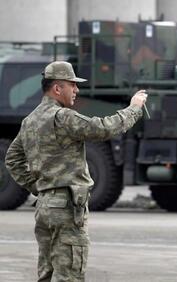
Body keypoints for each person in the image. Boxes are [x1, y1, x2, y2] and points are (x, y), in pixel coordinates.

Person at [5, 61, 147, 281]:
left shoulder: (29, 121)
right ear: (57, 88)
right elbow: (104, 128)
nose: (77, 90)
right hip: (66, 209)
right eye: (72, 85)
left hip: (44, 206)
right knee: (69, 275)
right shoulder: (63, 117)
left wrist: (40, 188)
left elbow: (12, 159)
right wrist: (134, 109)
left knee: (47, 273)